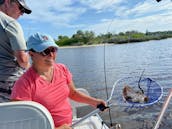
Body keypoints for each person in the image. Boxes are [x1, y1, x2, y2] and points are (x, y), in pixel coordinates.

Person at [11, 32, 107, 129]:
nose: (51, 55)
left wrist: (94, 102)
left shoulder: (62, 69)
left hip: (71, 124)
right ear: (31, 54)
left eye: (53, 50)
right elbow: (20, 123)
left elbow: (73, 93)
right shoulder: (23, 84)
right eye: (45, 51)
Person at [0, 0, 31, 101]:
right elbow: (22, 60)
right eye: (21, 8)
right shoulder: (11, 23)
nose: (22, 14)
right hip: (8, 81)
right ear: (8, 2)